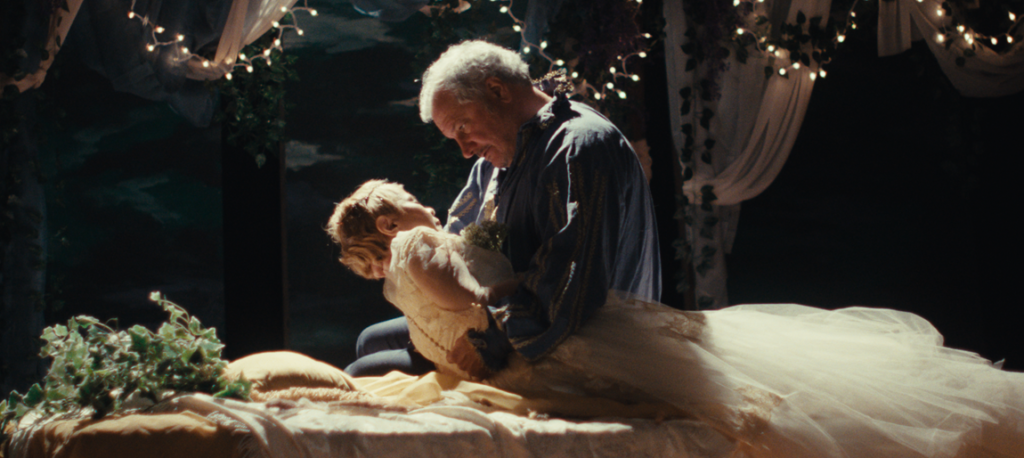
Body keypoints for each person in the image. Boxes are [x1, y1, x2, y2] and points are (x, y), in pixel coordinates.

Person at [328, 179, 1024, 458]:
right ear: (390, 219)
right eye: (410, 197)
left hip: (514, 360)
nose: (423, 203)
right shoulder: (419, 245)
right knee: (718, 367)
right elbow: (477, 298)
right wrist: (504, 289)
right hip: (537, 347)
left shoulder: (394, 282)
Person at [346, 39, 661, 377]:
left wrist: (492, 337)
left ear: (497, 91)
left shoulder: (580, 147)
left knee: (363, 372)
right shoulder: (495, 159)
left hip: (577, 339)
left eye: (462, 128)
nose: (464, 150)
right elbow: (458, 242)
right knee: (371, 341)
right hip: (501, 310)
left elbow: (572, 281)